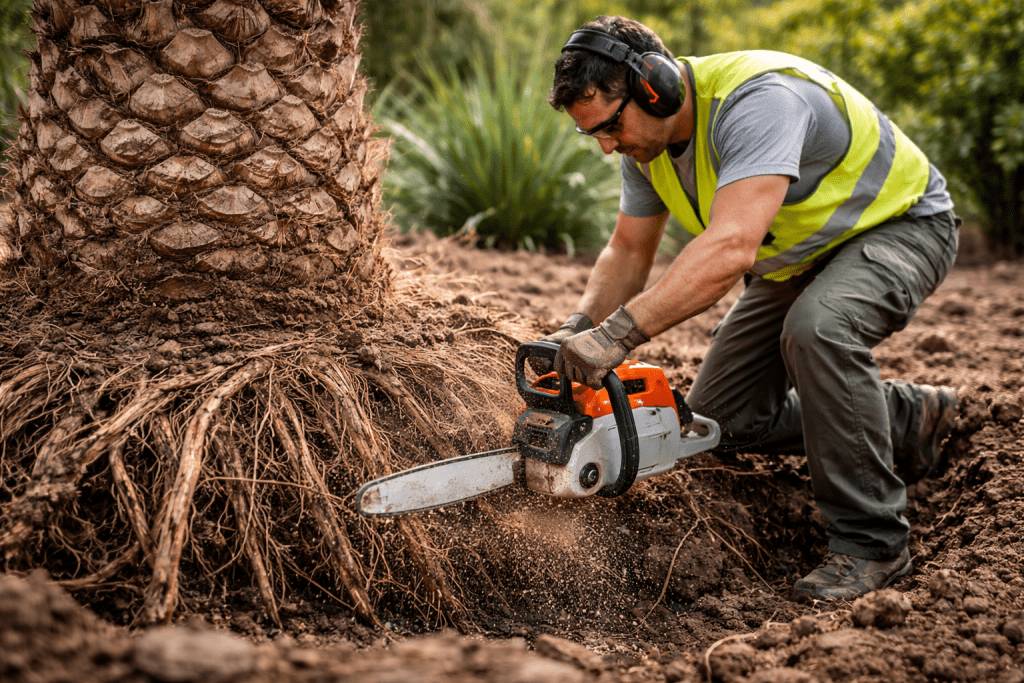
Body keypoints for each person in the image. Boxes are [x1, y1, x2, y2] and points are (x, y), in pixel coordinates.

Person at [543, 15, 960, 601]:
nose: (608, 144)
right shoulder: (649, 148)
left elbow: (732, 247)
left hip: (898, 227)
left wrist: (617, 337)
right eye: (595, 136)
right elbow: (629, 249)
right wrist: (574, 331)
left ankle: (871, 544)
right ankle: (908, 420)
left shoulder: (759, 101)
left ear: (655, 85)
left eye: (611, 125)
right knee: (722, 422)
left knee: (819, 328)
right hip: (797, 258)